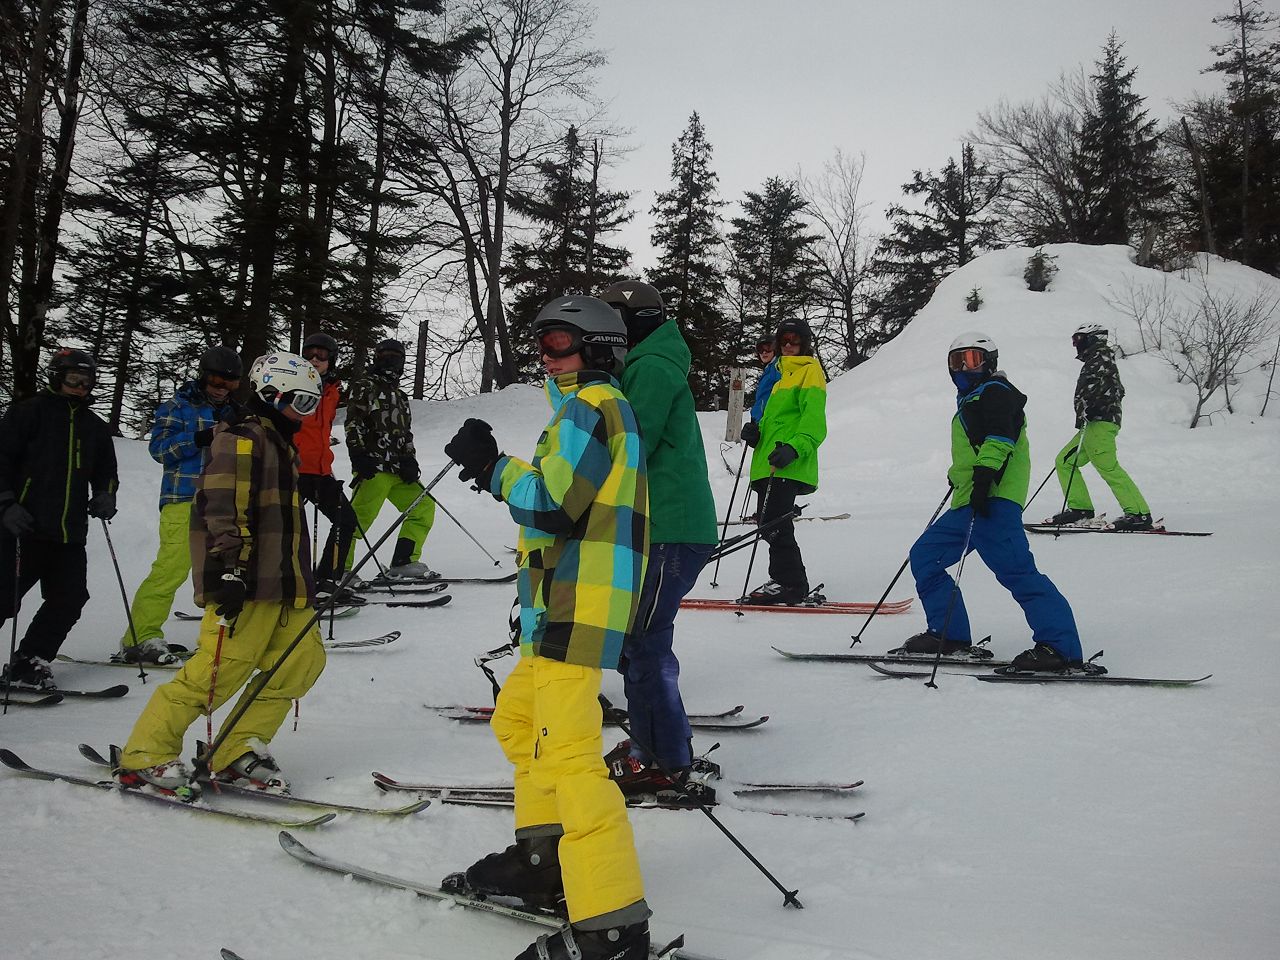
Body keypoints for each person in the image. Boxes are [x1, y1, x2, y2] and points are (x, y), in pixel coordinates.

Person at [443, 295, 652, 960]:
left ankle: (612, 924)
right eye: (540, 342)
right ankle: (544, 860)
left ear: (597, 346)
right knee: (519, 723)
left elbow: (557, 505)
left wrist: (492, 466)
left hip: (578, 600)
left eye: (559, 340)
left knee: (570, 760)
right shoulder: (580, 409)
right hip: (555, 603)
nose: (545, 354)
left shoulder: (592, 405)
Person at [114, 351, 327, 795]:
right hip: (247, 584)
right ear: (273, 395)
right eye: (302, 403)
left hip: (286, 586)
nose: (307, 414)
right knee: (217, 672)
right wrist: (229, 571)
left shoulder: (278, 443)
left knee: (300, 662)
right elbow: (221, 508)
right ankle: (146, 753)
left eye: (314, 404)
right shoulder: (241, 438)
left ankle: (236, 748)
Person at [899, 332, 1087, 673]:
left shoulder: (997, 392)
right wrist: (960, 476)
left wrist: (985, 474)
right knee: (925, 555)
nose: (963, 368)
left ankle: (1060, 648)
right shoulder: (972, 399)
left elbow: (1000, 437)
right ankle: (949, 635)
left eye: (971, 360)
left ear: (989, 362)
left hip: (995, 502)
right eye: (957, 361)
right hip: (969, 501)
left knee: (1017, 572)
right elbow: (975, 446)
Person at [599, 280, 718, 796]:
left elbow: (631, 443)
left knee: (644, 643)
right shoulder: (649, 361)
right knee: (640, 641)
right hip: (664, 526)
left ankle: (664, 760)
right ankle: (659, 747)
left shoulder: (649, 366)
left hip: (670, 527)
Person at [0, 348, 118, 689]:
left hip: (69, 533)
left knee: (69, 598)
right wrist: (6, 504)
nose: (80, 387)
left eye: (87, 382)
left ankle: (30, 660)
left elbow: (107, 471)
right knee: (3, 598)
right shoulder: (27, 413)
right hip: (22, 528)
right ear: (56, 378)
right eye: (73, 380)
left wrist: (106, 494)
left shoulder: (94, 426)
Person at [117, 346, 243, 664]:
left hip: (221, 502)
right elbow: (159, 449)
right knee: (171, 569)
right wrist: (200, 438)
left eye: (230, 383)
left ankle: (219, 635)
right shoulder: (179, 406)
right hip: (183, 498)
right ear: (204, 376)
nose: (222, 388)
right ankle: (139, 637)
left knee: (223, 570)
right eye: (216, 380)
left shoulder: (236, 412)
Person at [738, 318, 827, 605]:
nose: (788, 346)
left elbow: (814, 421)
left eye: (795, 340)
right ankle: (786, 581)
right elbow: (775, 421)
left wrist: (794, 448)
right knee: (769, 523)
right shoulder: (780, 376)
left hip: (789, 461)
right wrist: (756, 434)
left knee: (774, 523)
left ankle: (790, 583)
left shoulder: (809, 371)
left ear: (805, 343)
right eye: (784, 341)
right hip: (769, 462)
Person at [344, 338, 437, 580]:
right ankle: (338, 569)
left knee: (423, 507)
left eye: (396, 357)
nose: (391, 361)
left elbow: (405, 433)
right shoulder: (365, 387)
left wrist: (410, 460)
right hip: (373, 466)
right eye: (385, 355)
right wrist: (358, 455)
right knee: (357, 519)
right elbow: (353, 423)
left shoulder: (400, 396)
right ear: (377, 358)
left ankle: (404, 561)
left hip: (398, 470)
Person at [1049, 323, 1153, 531]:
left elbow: (1110, 390)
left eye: (1079, 339)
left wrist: (1095, 406)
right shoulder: (1096, 360)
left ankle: (1138, 513)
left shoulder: (1101, 358)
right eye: (1074, 341)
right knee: (1065, 461)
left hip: (1100, 423)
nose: (1076, 345)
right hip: (1091, 424)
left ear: (1093, 338)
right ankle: (1080, 509)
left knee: (1107, 466)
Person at [294, 332, 359, 599]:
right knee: (289, 531)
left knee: (346, 520)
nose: (314, 359)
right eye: (309, 354)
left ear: (331, 359)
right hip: (291, 471)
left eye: (321, 355)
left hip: (320, 471)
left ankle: (326, 579)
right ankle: (285, 584)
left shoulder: (332, 391)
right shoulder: (291, 384)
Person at [749, 334, 779, 423]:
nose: (764, 352)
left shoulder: (778, 367)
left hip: (769, 421)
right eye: (760, 349)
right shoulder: (769, 369)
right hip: (761, 420)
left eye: (768, 348)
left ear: (775, 349)